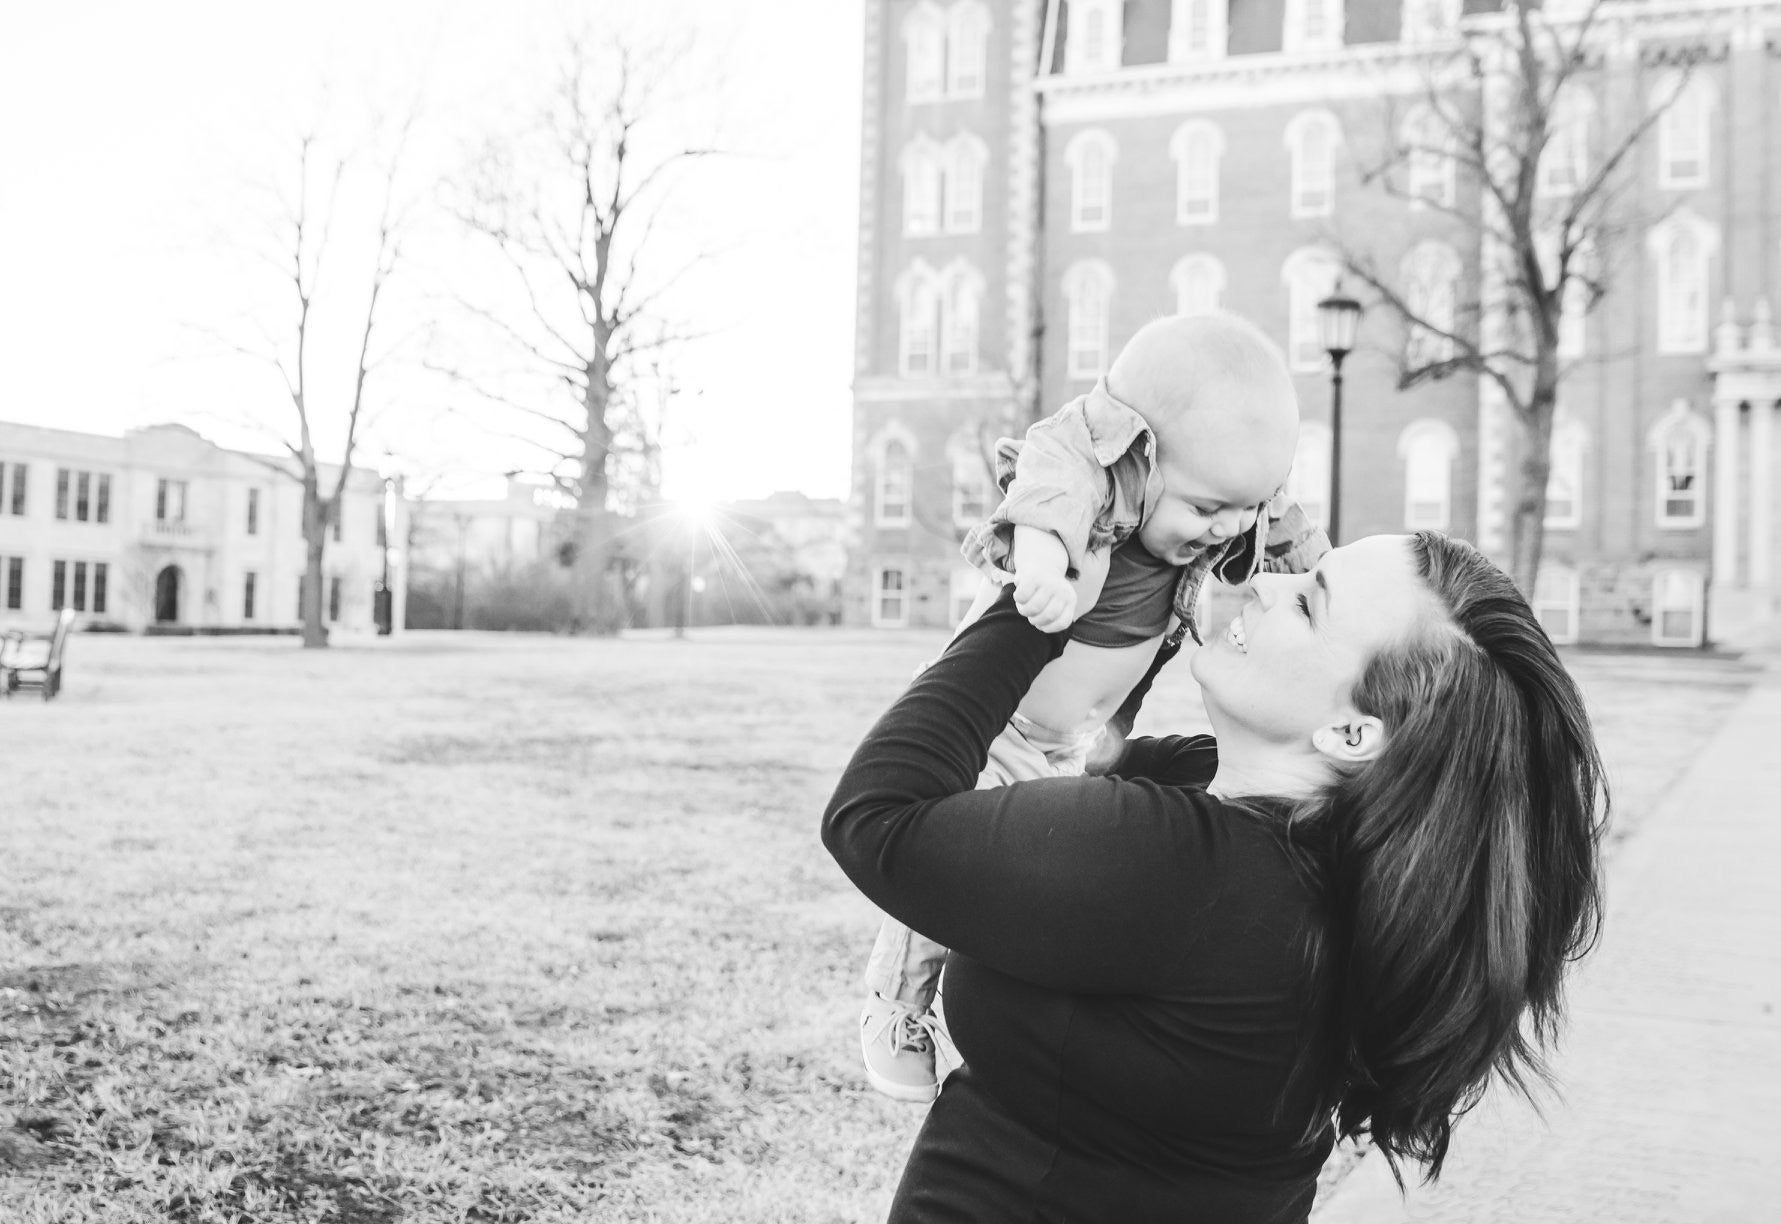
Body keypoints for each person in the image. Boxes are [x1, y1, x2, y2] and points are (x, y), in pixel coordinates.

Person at [824, 531, 1606, 1223]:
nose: (1267, 583)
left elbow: (879, 818)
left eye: (1308, 603)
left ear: (1351, 732)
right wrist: (1144, 594)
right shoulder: (1314, 851)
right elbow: (1076, 755)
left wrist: (1040, 600)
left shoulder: (1185, 869)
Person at [859, 312, 1326, 1102]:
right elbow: (1044, 493)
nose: (1226, 529)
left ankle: (1006, 991)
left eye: (1242, 508)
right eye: (1210, 510)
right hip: (998, 725)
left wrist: (1330, 590)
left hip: (1076, 739)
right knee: (953, 860)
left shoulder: (1228, 489)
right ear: (1142, 456)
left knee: (1036, 867)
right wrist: (1040, 568)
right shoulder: (1093, 463)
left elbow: (1295, 546)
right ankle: (896, 1003)